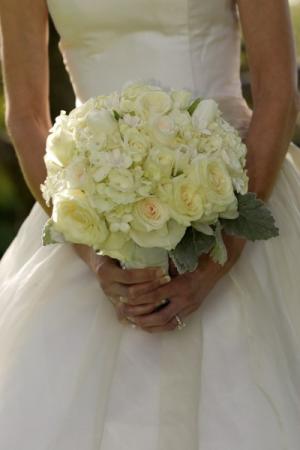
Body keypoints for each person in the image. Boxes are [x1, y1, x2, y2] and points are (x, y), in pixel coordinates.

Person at [0, 0, 299, 449]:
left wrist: (222, 257)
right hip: (96, 197)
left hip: (234, 182)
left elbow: (279, 95)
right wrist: (91, 251)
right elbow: (26, 116)